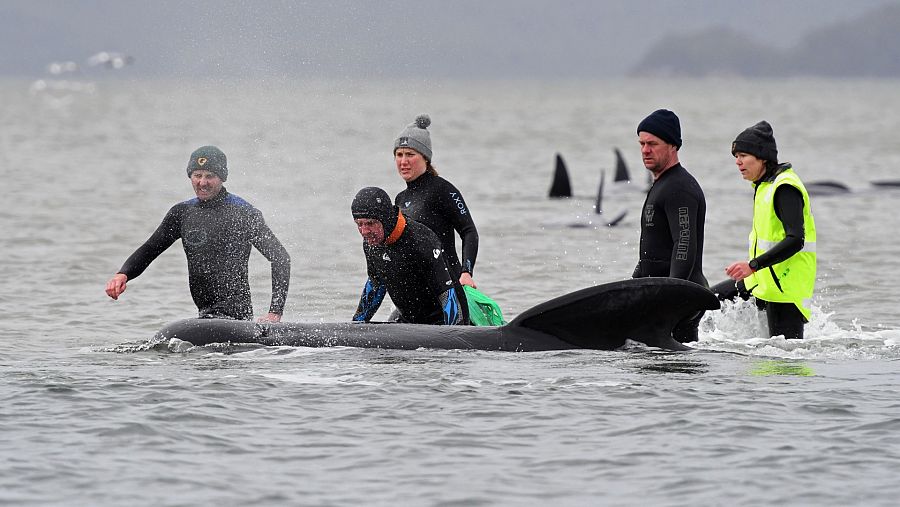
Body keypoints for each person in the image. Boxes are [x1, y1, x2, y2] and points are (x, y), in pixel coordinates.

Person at [105, 145, 291, 322]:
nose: (203, 182)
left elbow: (281, 258)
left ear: (222, 178)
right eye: (197, 175)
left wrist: (274, 312)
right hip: (205, 316)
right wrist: (123, 274)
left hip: (237, 319)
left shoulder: (243, 213)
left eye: (210, 176)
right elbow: (151, 249)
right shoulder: (182, 213)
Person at [713, 121, 817, 340]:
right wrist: (754, 269)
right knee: (707, 300)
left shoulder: (785, 187)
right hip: (762, 280)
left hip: (785, 290)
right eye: (735, 157)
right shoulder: (764, 186)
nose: (738, 162)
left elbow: (796, 239)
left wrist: (753, 265)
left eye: (743, 155)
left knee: (784, 362)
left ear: (762, 157)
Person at [633, 109, 708, 342]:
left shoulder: (679, 189)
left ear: (672, 145)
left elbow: (684, 243)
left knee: (675, 373)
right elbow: (654, 248)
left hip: (679, 300)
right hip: (663, 296)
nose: (645, 150)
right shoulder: (662, 184)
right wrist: (633, 286)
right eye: (642, 143)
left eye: (652, 143)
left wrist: (671, 296)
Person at [351, 186, 467, 325]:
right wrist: (356, 325)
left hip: (442, 321)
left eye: (370, 223)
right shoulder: (371, 243)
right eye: (359, 224)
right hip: (407, 321)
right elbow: (376, 285)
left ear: (386, 219)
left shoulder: (420, 240)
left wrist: (454, 333)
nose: (364, 231)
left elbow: (446, 295)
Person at [392, 114, 479, 290]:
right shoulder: (400, 199)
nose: (403, 161)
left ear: (425, 158)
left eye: (410, 154)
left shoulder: (443, 190)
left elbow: (469, 231)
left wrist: (466, 272)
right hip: (418, 291)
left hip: (448, 286)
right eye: (399, 154)